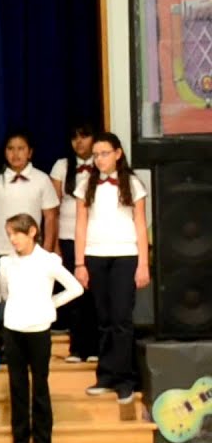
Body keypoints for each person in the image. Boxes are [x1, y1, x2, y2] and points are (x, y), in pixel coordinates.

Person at [0, 213, 83, 443]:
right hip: (13, 327)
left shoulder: (48, 260)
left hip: (39, 328)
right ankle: (21, 440)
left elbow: (75, 288)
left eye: (17, 233)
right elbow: (6, 292)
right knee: (17, 386)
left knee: (40, 386)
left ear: (32, 231)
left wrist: (50, 304)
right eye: (10, 234)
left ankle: (43, 440)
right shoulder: (6, 262)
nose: (13, 239)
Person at [74, 132, 149, 404]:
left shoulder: (132, 183)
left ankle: (126, 380)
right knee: (103, 319)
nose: (99, 159)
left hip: (125, 255)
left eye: (104, 153)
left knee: (121, 319)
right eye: (95, 155)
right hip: (95, 255)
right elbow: (80, 225)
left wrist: (143, 263)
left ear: (118, 153)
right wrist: (80, 262)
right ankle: (105, 375)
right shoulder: (85, 184)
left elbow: (141, 224)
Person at [49, 122, 99, 363]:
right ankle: (77, 348)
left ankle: (96, 348)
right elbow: (53, 206)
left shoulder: (103, 163)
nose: (79, 142)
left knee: (95, 294)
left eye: (84, 136)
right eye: (74, 138)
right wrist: (56, 243)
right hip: (69, 237)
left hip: (97, 239)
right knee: (76, 293)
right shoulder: (62, 166)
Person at [0, 132, 60, 265]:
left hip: (32, 251)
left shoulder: (42, 179)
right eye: (10, 149)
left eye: (21, 149)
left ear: (30, 153)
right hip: (1, 250)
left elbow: (50, 217)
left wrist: (47, 249)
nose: (15, 154)